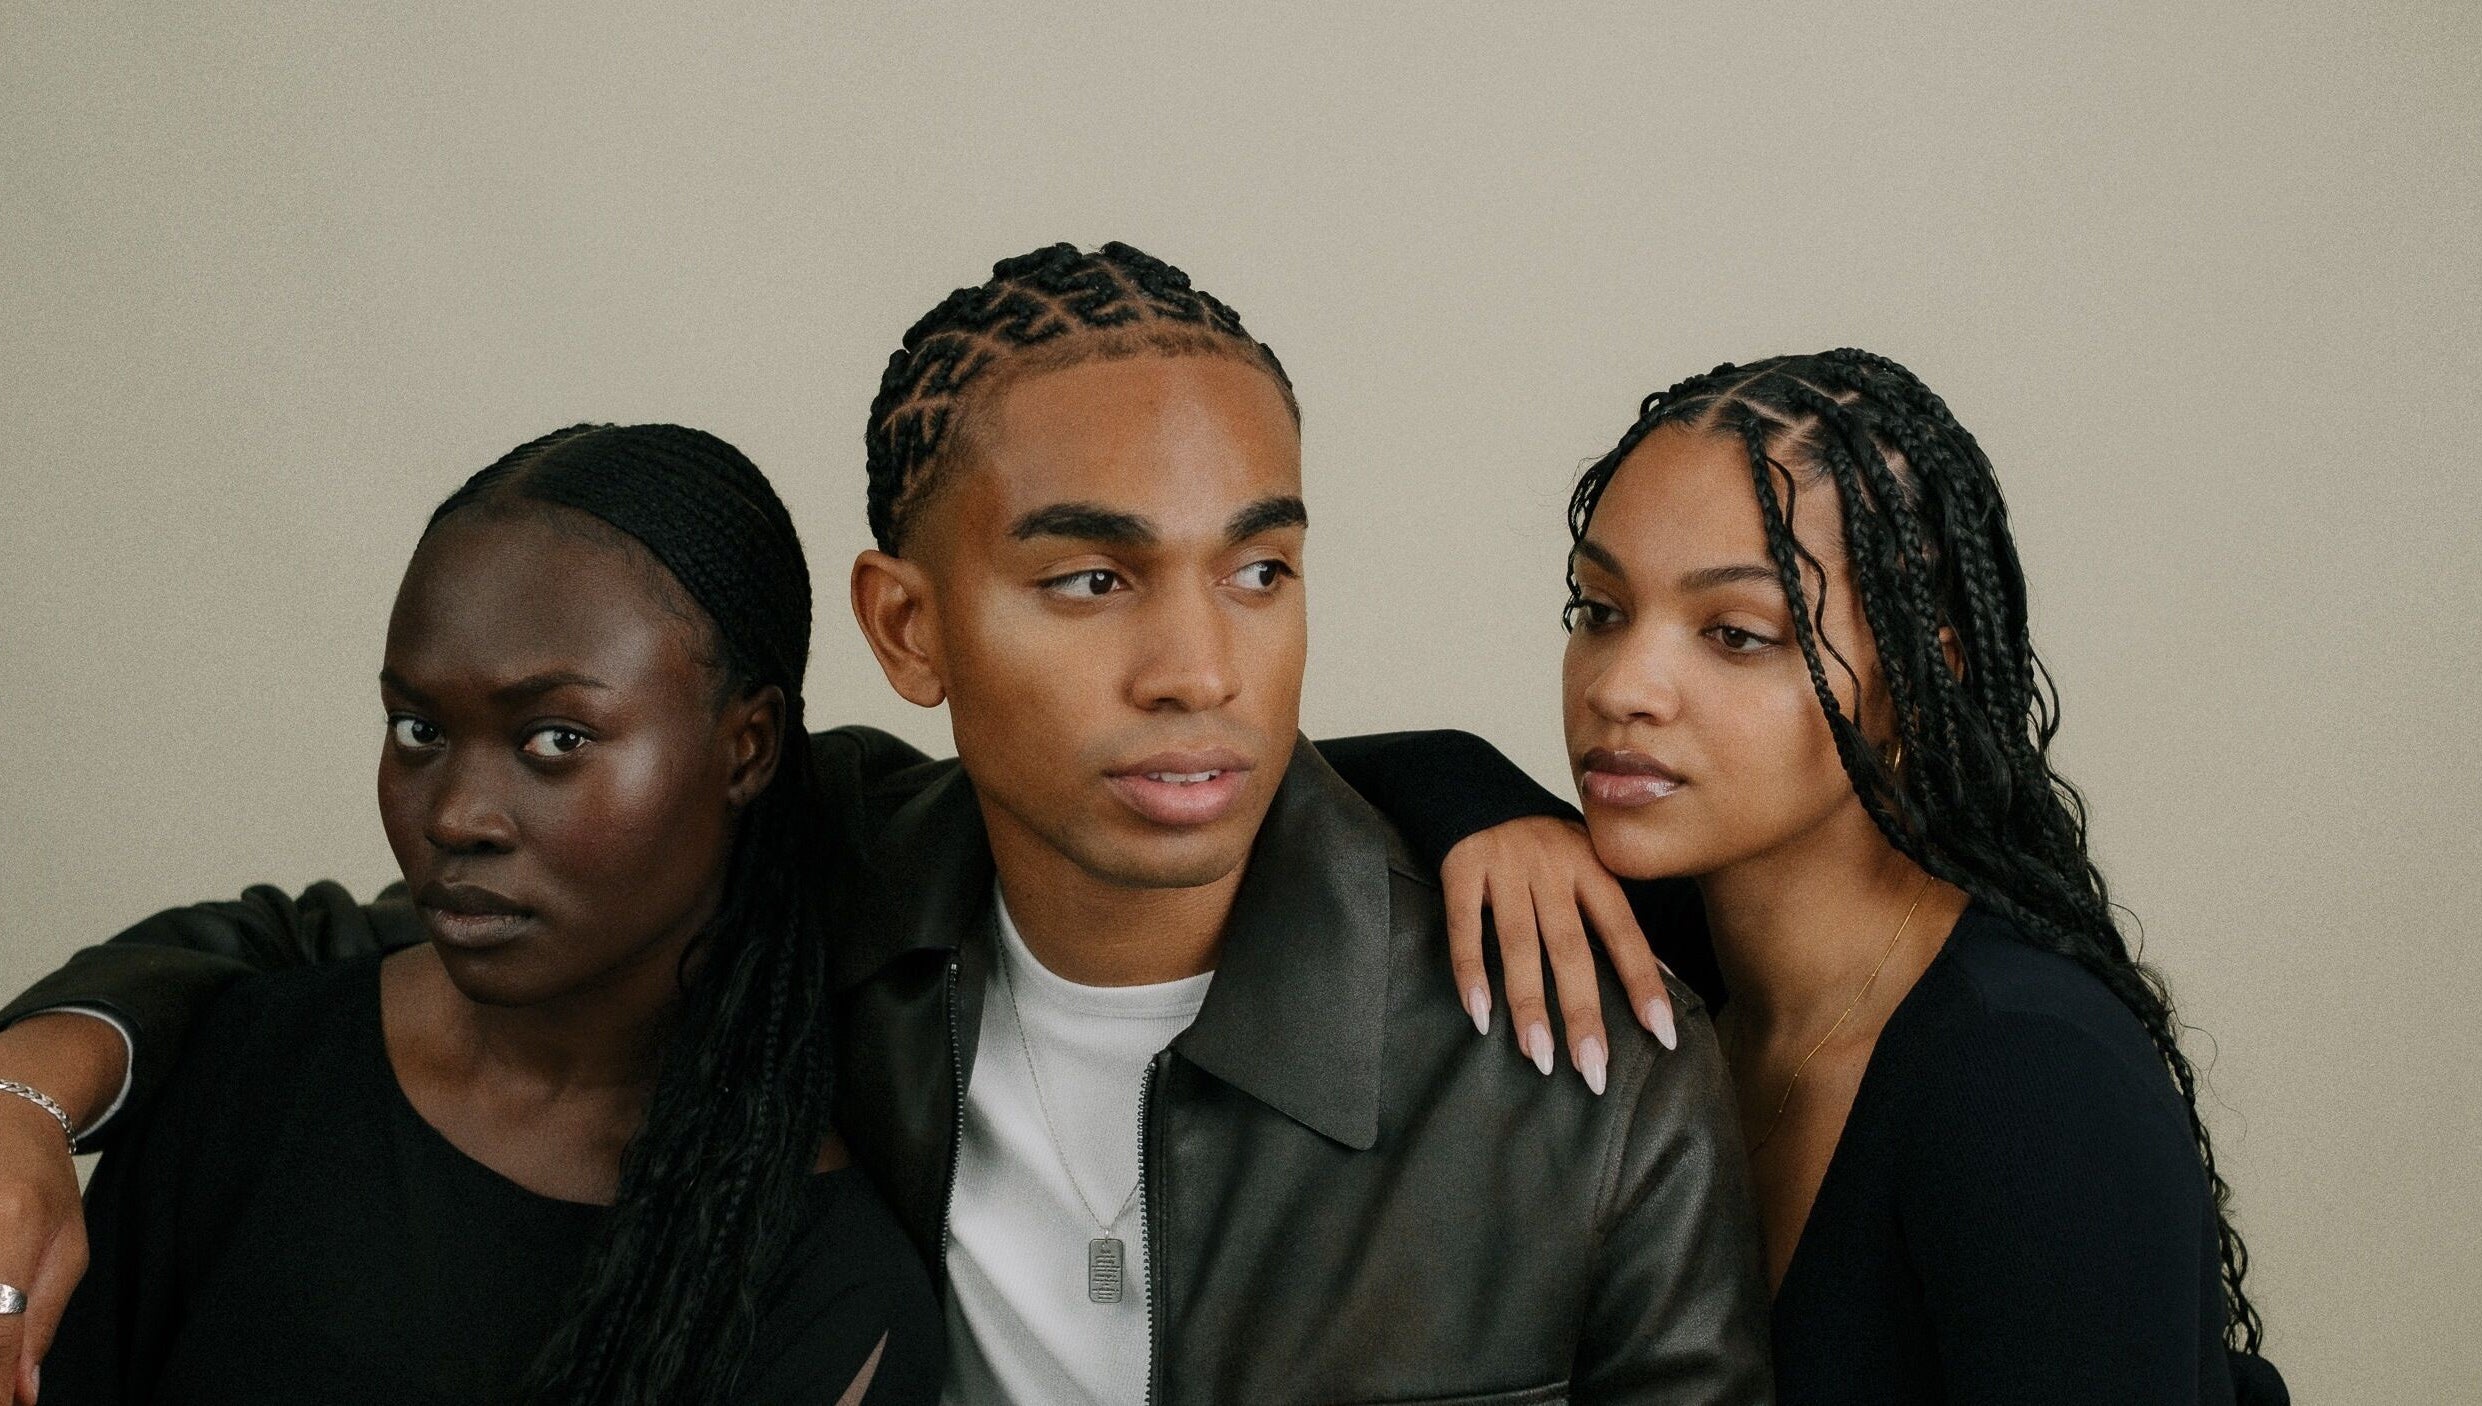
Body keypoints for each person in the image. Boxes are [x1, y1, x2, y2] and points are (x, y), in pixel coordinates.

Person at [0, 245, 1769, 1404]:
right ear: (906, 629)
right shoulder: (829, 870)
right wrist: (27, 1094)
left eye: (1259, 569)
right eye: (1088, 578)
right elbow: (340, 941)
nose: (1195, 667)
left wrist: (1468, 789)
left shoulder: (1580, 1077)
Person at [41, 424, 943, 1403]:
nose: (456, 813)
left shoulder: (825, 1288)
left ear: (747, 746)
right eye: (418, 729)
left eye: (556, 738)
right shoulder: (247, 1072)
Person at [1450, 350, 2287, 1403]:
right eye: (1600, 608)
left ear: (1914, 680)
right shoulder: (1658, 958)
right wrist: (1486, 811)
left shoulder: (2023, 1081)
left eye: (1735, 634)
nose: (1620, 686)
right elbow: (1306, 783)